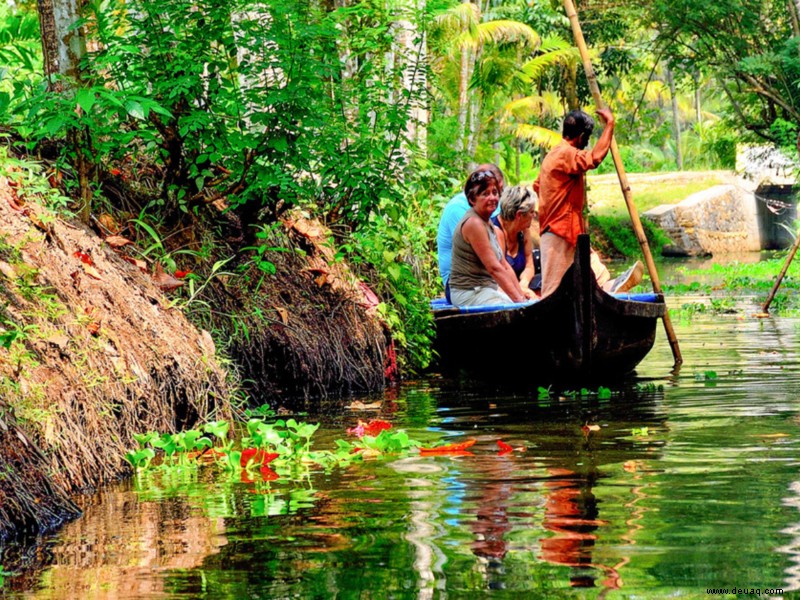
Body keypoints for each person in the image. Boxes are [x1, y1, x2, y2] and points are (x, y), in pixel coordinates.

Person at [534, 108, 643, 298]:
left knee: (598, 276)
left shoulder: (555, 155)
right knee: (552, 291)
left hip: (572, 232)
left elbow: (537, 185)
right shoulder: (564, 153)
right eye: (588, 137)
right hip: (558, 233)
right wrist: (610, 124)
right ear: (581, 136)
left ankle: (606, 289)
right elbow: (594, 158)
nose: (587, 143)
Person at [449, 170, 527, 307]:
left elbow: (504, 265)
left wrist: (521, 298)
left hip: (485, 289)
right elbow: (494, 268)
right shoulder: (474, 223)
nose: (492, 198)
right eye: (485, 194)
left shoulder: (487, 222)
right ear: (472, 199)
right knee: (509, 309)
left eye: (495, 193)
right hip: (468, 292)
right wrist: (518, 302)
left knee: (519, 303)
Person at [437, 164, 504, 292]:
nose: (495, 197)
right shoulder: (459, 209)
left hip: (486, 278)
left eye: (497, 191)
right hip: (464, 284)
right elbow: (489, 260)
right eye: (486, 191)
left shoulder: (493, 203)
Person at [491, 185, 540, 299]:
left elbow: (529, 263)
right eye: (531, 212)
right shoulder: (496, 231)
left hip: (517, 285)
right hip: (498, 286)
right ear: (519, 215)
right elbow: (500, 271)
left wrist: (524, 283)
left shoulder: (524, 230)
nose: (534, 215)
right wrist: (520, 291)